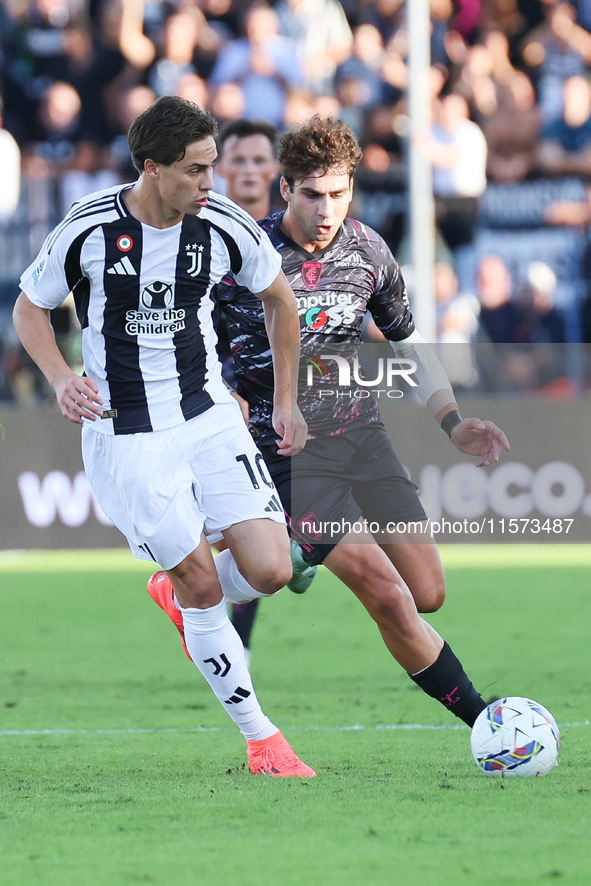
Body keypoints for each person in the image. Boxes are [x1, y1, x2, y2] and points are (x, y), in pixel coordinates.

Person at [148, 115, 511, 734]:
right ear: (284, 189)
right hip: (285, 448)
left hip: (363, 440)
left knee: (425, 593)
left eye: (338, 194)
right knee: (388, 595)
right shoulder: (242, 253)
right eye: (312, 194)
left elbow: (408, 343)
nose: (326, 209)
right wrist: (223, 393)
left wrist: (452, 422)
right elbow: (182, 333)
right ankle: (489, 724)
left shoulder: (369, 250)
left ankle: (265, 560)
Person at [12, 95, 315, 779]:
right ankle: (262, 739)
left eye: (211, 167)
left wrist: (287, 402)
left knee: (271, 570)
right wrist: (62, 379)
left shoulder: (223, 225)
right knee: (205, 588)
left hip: (207, 414)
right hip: (127, 436)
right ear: (151, 168)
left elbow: (279, 302)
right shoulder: (89, 227)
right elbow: (29, 308)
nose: (212, 184)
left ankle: (176, 587)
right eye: (196, 170)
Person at [201, 118, 318, 663]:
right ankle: (231, 647)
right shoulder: (203, 236)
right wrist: (223, 385)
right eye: (237, 161)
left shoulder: (290, 238)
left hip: (293, 404)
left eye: (257, 161)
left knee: (284, 547)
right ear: (220, 170)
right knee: (242, 530)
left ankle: (297, 556)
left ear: (276, 173)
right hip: (227, 405)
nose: (248, 171)